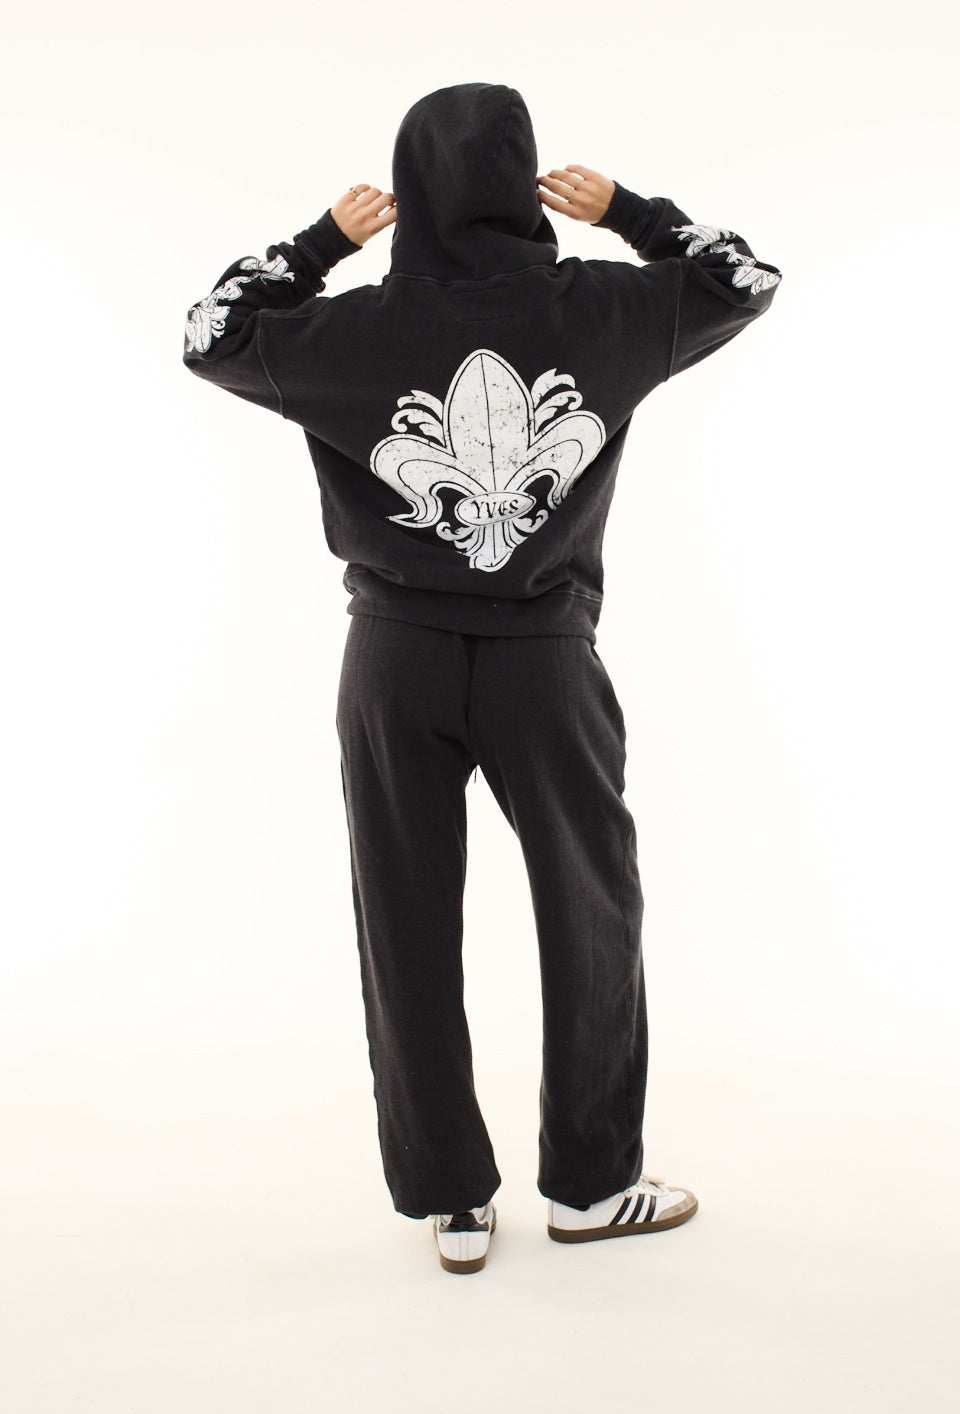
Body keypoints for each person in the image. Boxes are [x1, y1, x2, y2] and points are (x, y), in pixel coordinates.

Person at [183, 81, 782, 1276]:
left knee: (401, 919)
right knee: (592, 908)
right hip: (543, 660)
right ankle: (593, 1186)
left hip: (391, 660)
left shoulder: (349, 328)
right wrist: (631, 212)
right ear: (526, 180)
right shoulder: (601, 309)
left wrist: (320, 243)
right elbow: (745, 279)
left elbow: (209, 334)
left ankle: (450, 1202)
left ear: (407, 191)